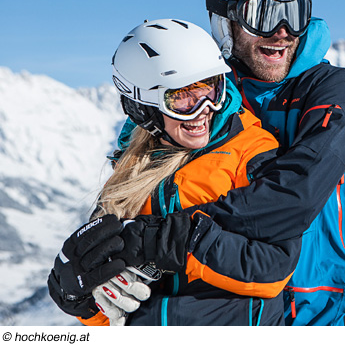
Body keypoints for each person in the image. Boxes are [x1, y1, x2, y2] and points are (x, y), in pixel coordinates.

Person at [47, 19, 301, 326]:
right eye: (182, 98)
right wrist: (79, 300)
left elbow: (272, 270)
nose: (203, 109)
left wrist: (170, 242)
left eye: (210, 88)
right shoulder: (131, 171)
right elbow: (112, 314)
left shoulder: (250, 152)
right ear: (145, 106)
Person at [199, 0, 345, 325]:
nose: (282, 31)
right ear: (224, 22)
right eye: (263, 14)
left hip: (318, 312)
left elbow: (298, 193)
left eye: (295, 13)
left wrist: (179, 234)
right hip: (233, 308)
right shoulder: (205, 98)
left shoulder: (330, 90)